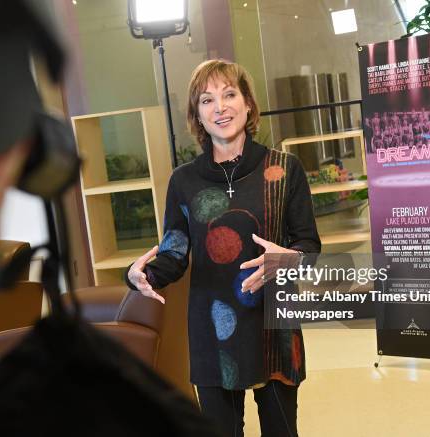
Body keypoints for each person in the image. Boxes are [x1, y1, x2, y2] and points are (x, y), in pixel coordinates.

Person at [125, 59, 321, 437]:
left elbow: (308, 245)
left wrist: (289, 259)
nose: (221, 107)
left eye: (230, 94)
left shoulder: (284, 169)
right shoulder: (184, 181)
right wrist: (141, 275)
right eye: (207, 100)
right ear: (197, 116)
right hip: (212, 327)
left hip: (273, 324)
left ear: (248, 104)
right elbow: (174, 253)